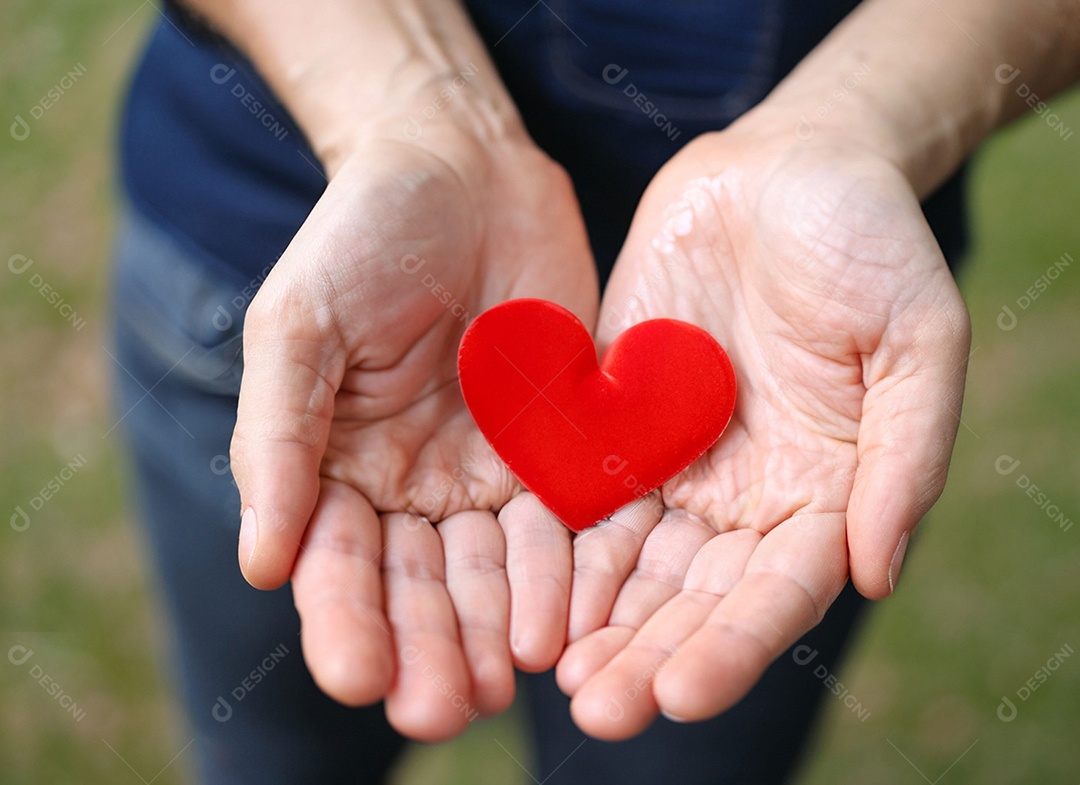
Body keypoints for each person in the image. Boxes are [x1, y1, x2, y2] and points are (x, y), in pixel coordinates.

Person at [111, 0, 1080, 781]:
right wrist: (411, 117)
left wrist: (855, 130)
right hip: (343, 296)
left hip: (786, 356)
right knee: (274, 749)